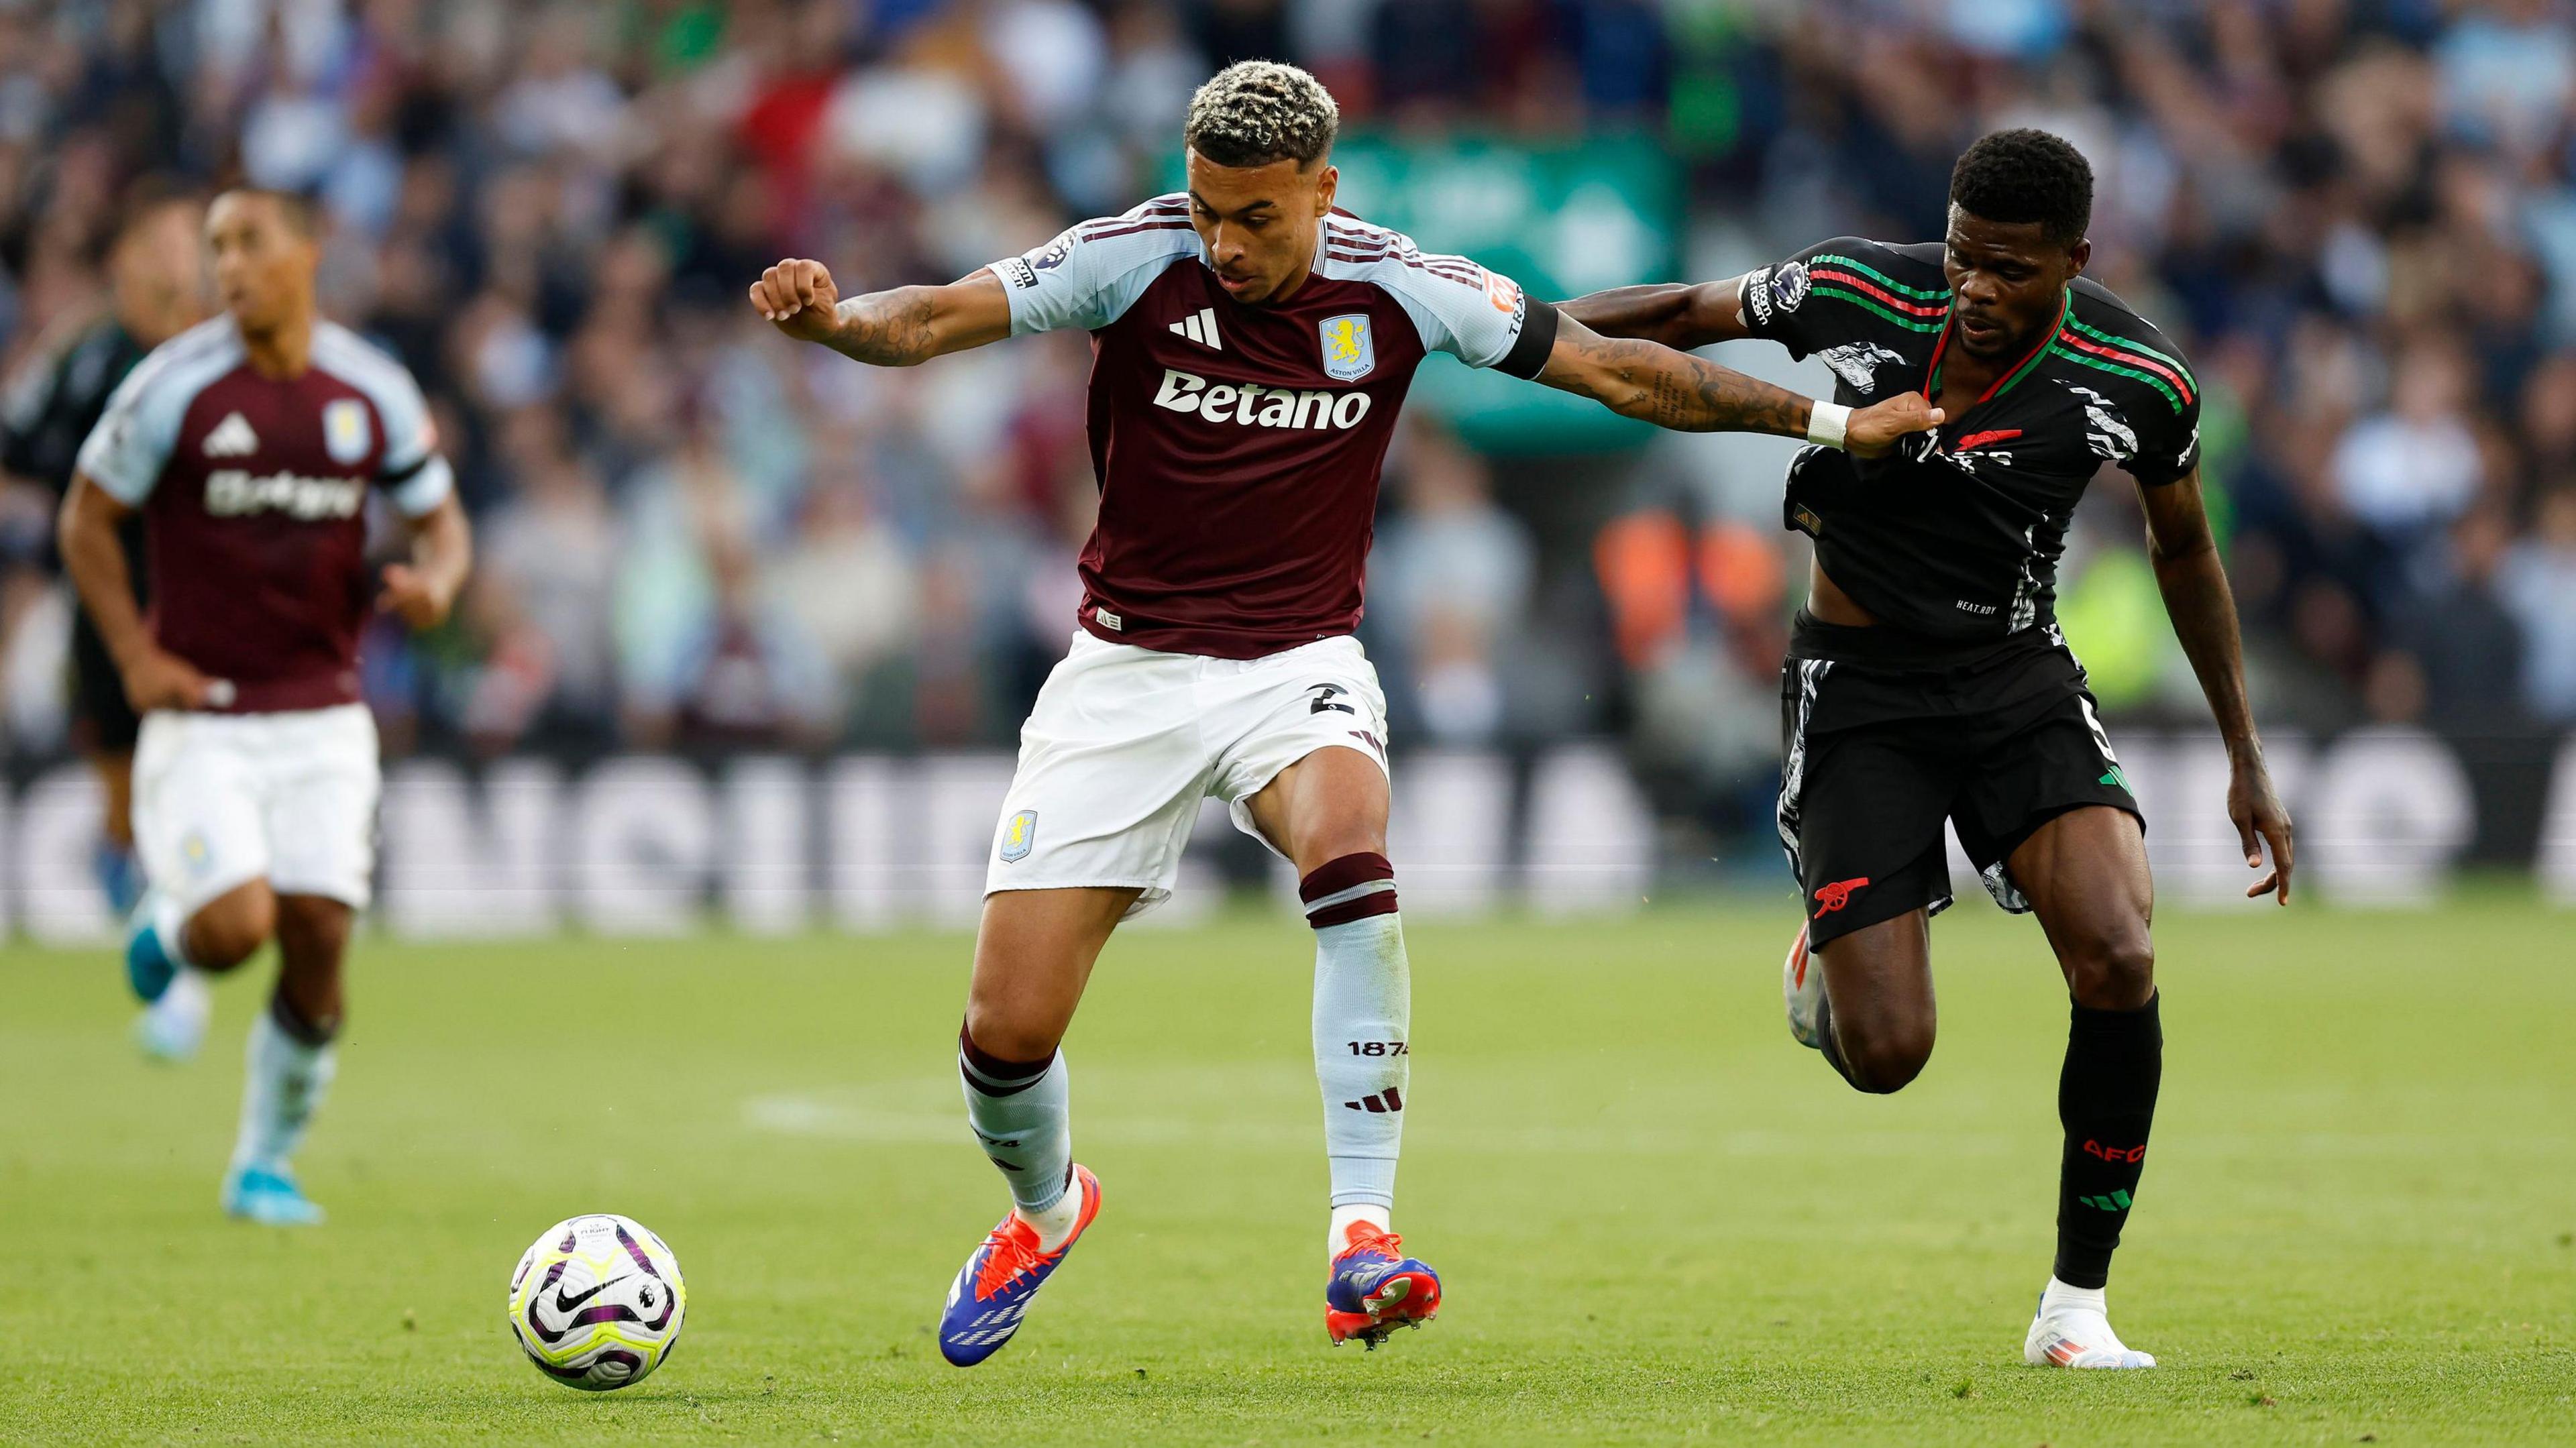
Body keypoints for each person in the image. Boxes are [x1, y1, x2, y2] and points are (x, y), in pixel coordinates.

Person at [749, 60, 1939, 1363]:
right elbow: (936, 316)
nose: (1225, 242)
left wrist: (1831, 420)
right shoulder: (1132, 257)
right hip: (1123, 678)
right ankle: (1045, 1209)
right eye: (1209, 209)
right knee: (1003, 1038)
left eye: (1256, 216)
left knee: (1353, 845)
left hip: (1294, 664)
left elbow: (1623, 376)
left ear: (1323, 188)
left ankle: (1359, 1237)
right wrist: (837, 325)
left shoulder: (1404, 285)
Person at [1562, 129, 2296, 1370]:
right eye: (1963, 257)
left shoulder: (2140, 379)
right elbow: (1688, 311)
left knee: (2119, 952)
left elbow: (2184, 551)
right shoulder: (1860, 288)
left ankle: (2077, 1308)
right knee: (1889, 1055)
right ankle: (1830, 964)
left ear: (2073, 259)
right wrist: (1503, 331)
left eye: (2009, 269)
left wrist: (2244, 750)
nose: (1976, 289)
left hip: (2016, 678)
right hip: (1859, 693)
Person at [57, 187, 473, 1225]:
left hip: (326, 711)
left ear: (307, 253)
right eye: (216, 249)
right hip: (206, 713)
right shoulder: (173, 386)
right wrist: (136, 657)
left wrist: (442, 580)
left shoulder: (368, 387)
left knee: (321, 931)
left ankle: (265, 1163)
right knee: (239, 929)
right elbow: (86, 521)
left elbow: (443, 519)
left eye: (250, 244)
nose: (228, 266)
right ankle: (169, 923)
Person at [0, 188, 212, 1058]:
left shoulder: (220, 356)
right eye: (167, 244)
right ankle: (147, 909)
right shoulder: (84, 356)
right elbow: (15, 446)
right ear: (127, 258)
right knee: (127, 805)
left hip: (203, 608)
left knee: (192, 778)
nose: (183, 264)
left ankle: (182, 975)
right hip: (103, 606)